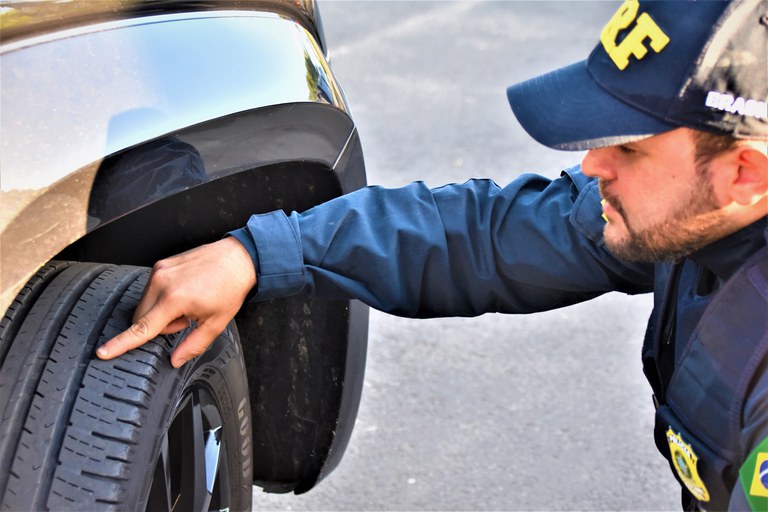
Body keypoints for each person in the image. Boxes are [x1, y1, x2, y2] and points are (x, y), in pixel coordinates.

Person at [97, 0, 767, 509]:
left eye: (630, 147)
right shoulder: (696, 211)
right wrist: (258, 253)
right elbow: (484, 234)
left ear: (747, 174)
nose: (591, 164)